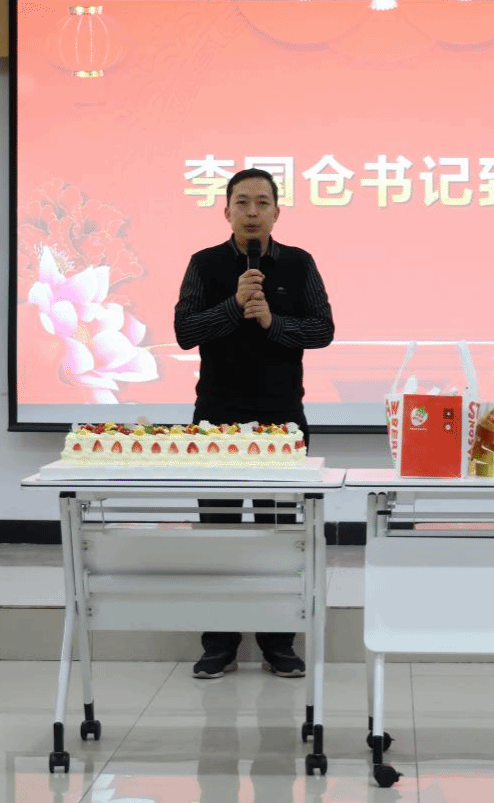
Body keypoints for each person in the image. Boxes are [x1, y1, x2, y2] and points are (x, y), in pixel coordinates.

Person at [173, 167, 335, 679]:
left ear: (277, 212)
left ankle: (278, 642)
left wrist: (271, 322)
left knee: (279, 534)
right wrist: (234, 305)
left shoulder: (300, 263)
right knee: (218, 534)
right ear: (225, 210)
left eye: (262, 202)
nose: (251, 212)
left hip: (281, 421)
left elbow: (323, 330)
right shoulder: (204, 263)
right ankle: (219, 643)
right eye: (241, 202)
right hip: (217, 422)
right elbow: (184, 331)